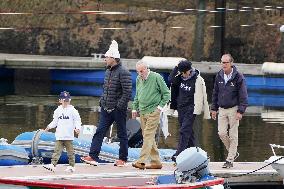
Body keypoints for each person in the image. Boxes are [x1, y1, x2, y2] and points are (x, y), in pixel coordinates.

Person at [81, 40, 132, 167]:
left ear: (113, 58)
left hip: (118, 110)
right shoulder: (108, 70)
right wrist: (102, 101)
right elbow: (105, 88)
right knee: (99, 132)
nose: (105, 59)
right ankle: (93, 156)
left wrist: (118, 106)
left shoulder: (124, 72)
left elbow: (127, 93)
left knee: (122, 134)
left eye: (107, 57)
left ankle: (123, 159)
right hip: (105, 108)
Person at [168, 60, 210, 162]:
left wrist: (206, 110)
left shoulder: (197, 79)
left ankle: (179, 154)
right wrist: (176, 67)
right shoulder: (180, 78)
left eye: (184, 72)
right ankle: (195, 152)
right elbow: (171, 79)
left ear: (189, 70)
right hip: (180, 108)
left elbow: (204, 95)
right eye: (181, 72)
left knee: (184, 130)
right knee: (189, 132)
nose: (184, 74)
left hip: (191, 108)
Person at [211, 53, 248, 169]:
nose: (224, 64)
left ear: (231, 63)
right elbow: (215, 93)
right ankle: (233, 152)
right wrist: (213, 108)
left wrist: (240, 111)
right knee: (221, 133)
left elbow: (243, 95)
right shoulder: (219, 75)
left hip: (234, 109)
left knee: (233, 135)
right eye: (222, 62)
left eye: (226, 62)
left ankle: (230, 159)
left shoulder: (238, 77)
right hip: (221, 109)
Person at [131, 60, 170, 170]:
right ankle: (156, 161)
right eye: (138, 71)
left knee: (148, 135)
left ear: (147, 69)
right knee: (148, 136)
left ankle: (141, 161)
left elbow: (167, 94)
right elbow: (137, 95)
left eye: (142, 71)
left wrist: (159, 108)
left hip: (154, 111)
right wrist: (134, 108)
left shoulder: (156, 77)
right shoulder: (139, 79)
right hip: (143, 111)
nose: (140, 73)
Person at [43, 91, 82, 173]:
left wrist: (77, 128)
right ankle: (53, 165)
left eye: (67, 100)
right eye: (64, 100)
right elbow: (55, 122)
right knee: (56, 151)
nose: (66, 102)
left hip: (68, 136)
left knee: (70, 152)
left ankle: (72, 166)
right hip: (59, 135)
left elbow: (77, 121)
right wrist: (48, 127)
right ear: (60, 100)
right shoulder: (57, 110)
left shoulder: (73, 110)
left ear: (70, 100)